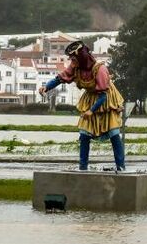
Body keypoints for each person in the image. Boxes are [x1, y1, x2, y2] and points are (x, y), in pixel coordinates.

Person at [38, 40, 126, 171]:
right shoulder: (75, 68)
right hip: (90, 97)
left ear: (82, 57)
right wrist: (47, 87)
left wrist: (92, 110)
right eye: (71, 59)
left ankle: (121, 167)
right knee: (84, 135)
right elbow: (60, 78)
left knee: (114, 133)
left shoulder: (100, 69)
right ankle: (83, 167)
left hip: (106, 99)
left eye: (74, 59)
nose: (72, 62)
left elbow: (103, 94)